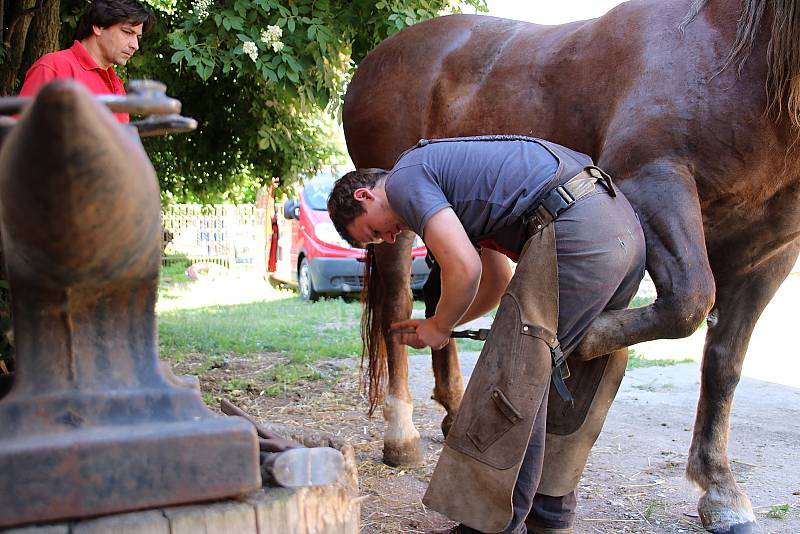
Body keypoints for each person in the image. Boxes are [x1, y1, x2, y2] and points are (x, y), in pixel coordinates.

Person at [328, 135, 646, 534]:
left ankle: (489, 527)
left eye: (373, 232)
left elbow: (466, 269)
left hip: (578, 231)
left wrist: (439, 325)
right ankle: (549, 516)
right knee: (561, 375)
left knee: (514, 380)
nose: (389, 239)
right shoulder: (454, 185)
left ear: (364, 195)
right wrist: (443, 327)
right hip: (620, 231)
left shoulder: (404, 181)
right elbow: (496, 281)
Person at [19, 0, 155, 123]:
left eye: (138, 37)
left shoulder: (117, 85)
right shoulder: (54, 67)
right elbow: (19, 138)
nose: (135, 45)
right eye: (127, 32)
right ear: (98, 26)